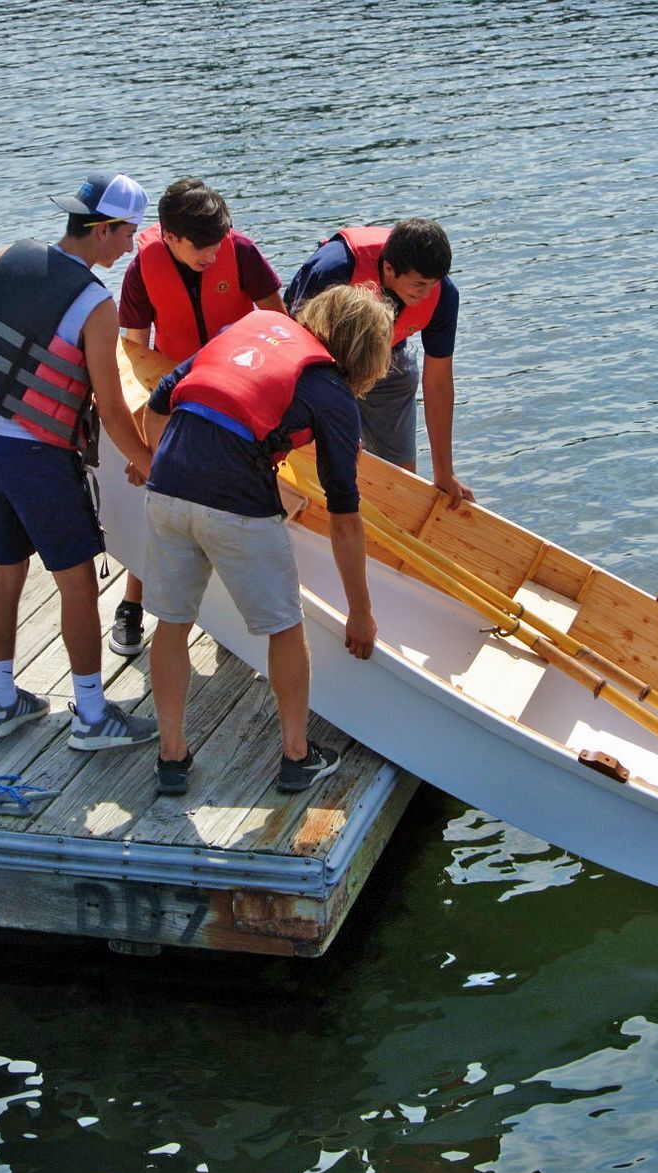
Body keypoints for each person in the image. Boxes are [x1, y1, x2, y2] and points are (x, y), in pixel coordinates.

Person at [0, 171, 158, 752]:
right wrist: (153, 465)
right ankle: (90, 715)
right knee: (78, 582)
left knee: (7, 571)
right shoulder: (95, 304)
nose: (131, 247)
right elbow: (110, 408)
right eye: (128, 234)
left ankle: (4, 703)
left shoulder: (12, 255)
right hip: (35, 456)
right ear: (103, 230)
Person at [138, 284, 394, 796]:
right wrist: (360, 612)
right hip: (237, 505)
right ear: (366, 354)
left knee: (171, 622)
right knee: (283, 627)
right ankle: (297, 756)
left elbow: (158, 404)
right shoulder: (332, 393)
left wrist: (160, 463)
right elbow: (344, 514)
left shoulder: (246, 328)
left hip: (166, 487)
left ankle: (172, 757)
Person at [109, 177, 287, 659]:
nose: (212, 255)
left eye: (217, 244)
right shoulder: (142, 271)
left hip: (237, 399)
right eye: (200, 248)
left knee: (233, 509)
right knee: (159, 496)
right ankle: (132, 603)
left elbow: (279, 326)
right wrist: (143, 443)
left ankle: (230, 620)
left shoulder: (242, 253)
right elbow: (132, 357)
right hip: (175, 400)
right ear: (169, 236)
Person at [283, 218, 474, 505]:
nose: (425, 295)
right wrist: (335, 423)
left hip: (388, 360)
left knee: (401, 479)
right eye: (419, 285)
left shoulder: (444, 295)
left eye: (432, 285)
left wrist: (444, 472)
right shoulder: (333, 268)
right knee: (333, 453)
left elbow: (438, 383)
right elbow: (292, 347)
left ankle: (395, 513)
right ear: (388, 268)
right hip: (320, 363)